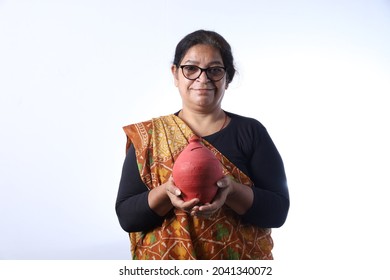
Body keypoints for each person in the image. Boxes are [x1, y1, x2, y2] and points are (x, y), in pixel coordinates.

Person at [115, 29, 290, 260]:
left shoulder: (250, 132)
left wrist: (232, 191)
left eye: (215, 70)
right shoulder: (149, 137)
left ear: (228, 78)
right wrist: (167, 193)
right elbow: (127, 217)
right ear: (175, 74)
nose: (203, 78)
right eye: (191, 69)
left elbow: (277, 212)